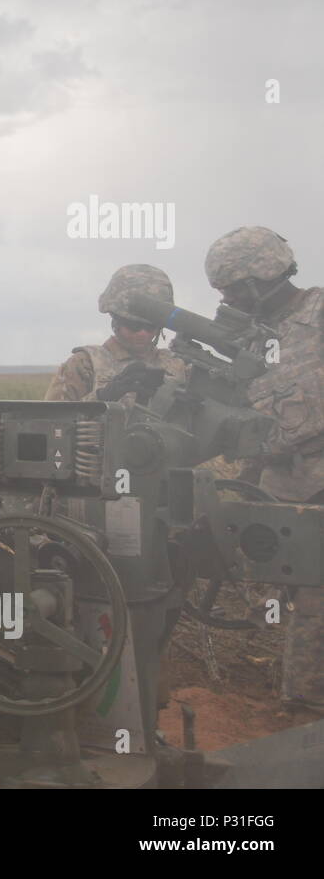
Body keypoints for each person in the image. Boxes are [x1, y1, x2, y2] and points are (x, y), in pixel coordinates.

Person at [205, 226, 324, 713]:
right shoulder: (248, 340)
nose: (229, 299)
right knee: (301, 597)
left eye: (233, 288)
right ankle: (304, 707)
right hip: (279, 481)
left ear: (262, 277)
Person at [44, 264, 187, 404]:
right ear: (115, 319)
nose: (143, 333)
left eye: (151, 326)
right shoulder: (84, 365)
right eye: (134, 325)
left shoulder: (179, 366)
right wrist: (101, 399)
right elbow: (51, 421)